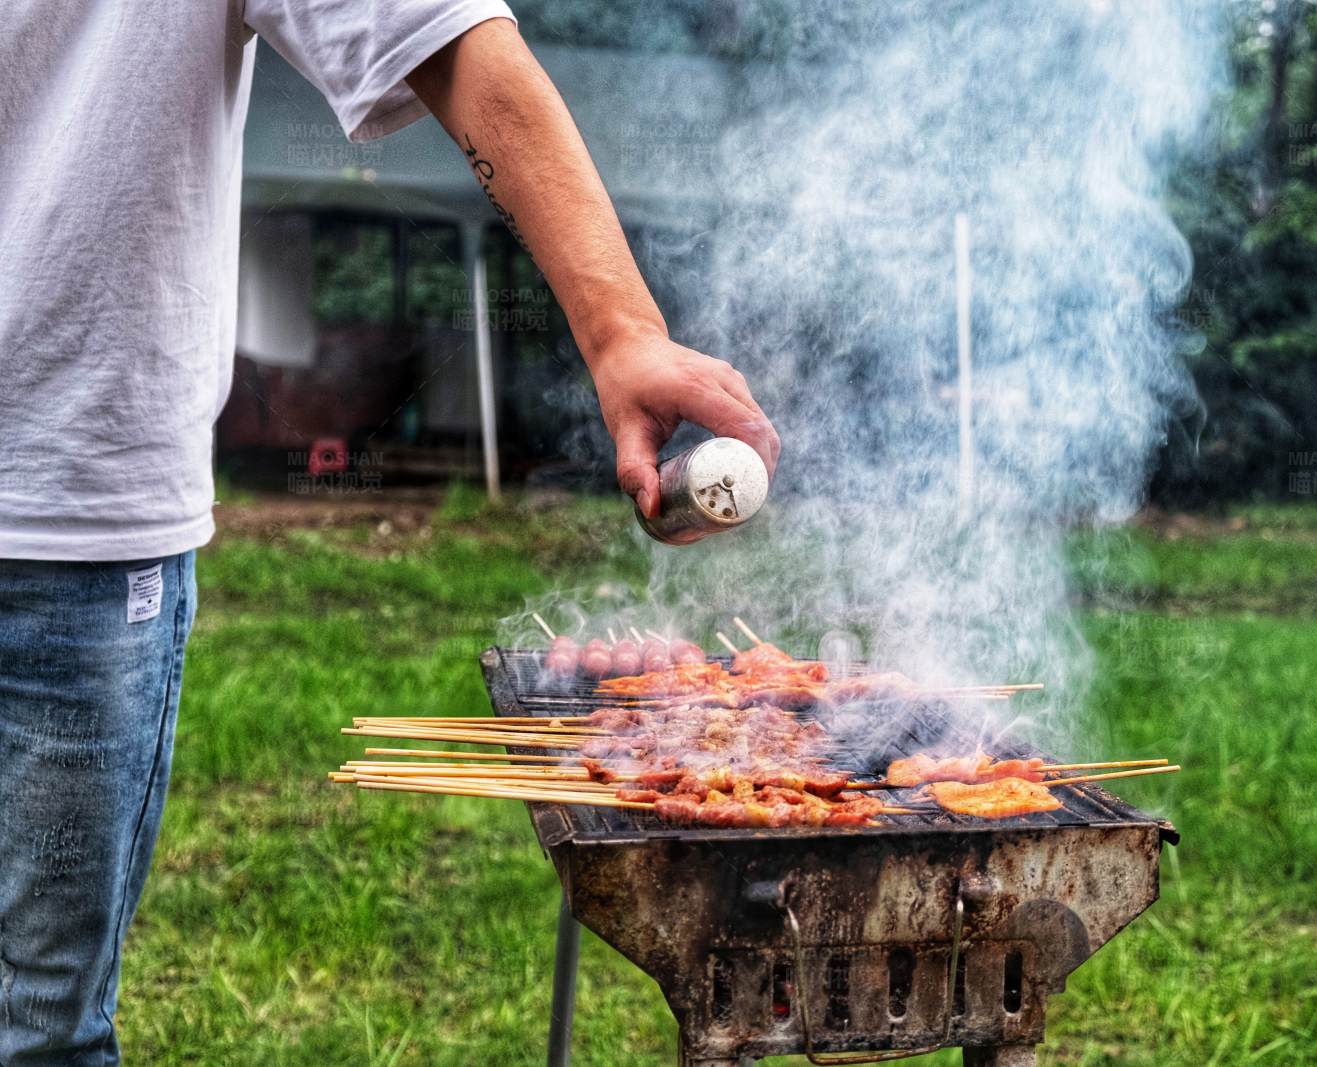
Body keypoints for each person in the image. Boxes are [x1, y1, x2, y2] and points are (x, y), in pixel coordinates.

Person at [0, 7, 778, 1063]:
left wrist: (623, 330)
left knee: (36, 1027)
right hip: (74, 523)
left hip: (68, 521)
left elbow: (452, 38)